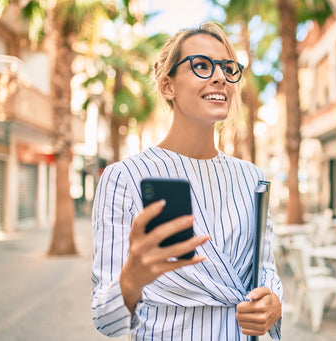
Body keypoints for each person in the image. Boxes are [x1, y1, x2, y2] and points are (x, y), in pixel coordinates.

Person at [90, 21, 282, 340]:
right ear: (168, 87)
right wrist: (132, 278)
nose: (220, 77)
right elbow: (104, 319)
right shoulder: (123, 177)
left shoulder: (252, 177)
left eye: (228, 68)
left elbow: (266, 271)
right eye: (202, 66)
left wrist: (273, 303)